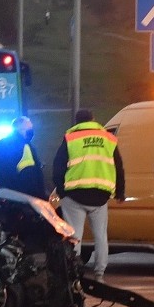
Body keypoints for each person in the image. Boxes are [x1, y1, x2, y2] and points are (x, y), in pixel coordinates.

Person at [52, 109, 125, 282]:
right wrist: (120, 192)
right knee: (101, 236)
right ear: (93, 120)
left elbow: (58, 166)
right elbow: (118, 167)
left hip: (74, 196)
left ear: (77, 122)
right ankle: (100, 274)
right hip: (100, 196)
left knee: (74, 237)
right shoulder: (108, 139)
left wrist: (61, 191)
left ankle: (74, 274)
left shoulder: (70, 139)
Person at [0, 116, 47, 199]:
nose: (31, 131)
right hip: (20, 195)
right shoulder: (10, 145)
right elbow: (3, 172)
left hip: (23, 195)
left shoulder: (26, 144)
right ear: (20, 129)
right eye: (29, 128)